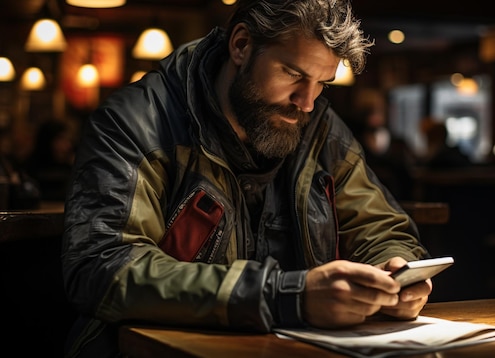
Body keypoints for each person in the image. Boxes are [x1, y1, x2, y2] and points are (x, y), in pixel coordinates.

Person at [62, 1, 432, 356]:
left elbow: (381, 229)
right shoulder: (133, 122)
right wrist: (285, 297)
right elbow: (101, 267)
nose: (306, 102)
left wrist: (395, 270)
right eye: (294, 74)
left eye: (323, 82)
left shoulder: (320, 129)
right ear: (241, 45)